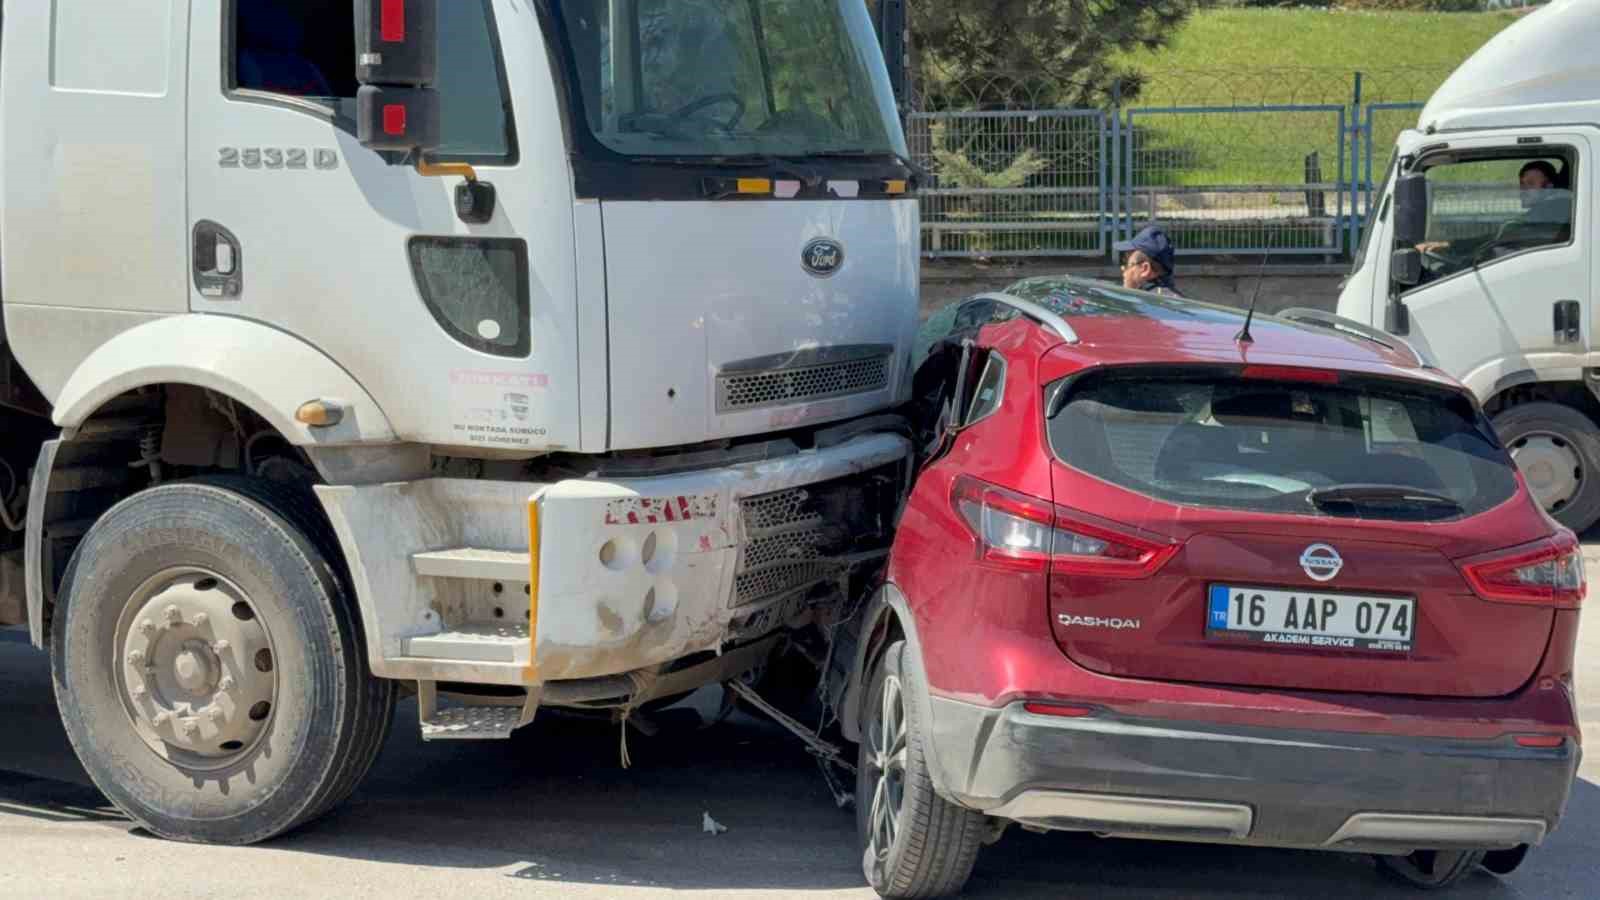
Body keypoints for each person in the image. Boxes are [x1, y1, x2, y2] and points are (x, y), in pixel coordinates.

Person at [1114, 226, 1182, 297]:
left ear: (1145, 269)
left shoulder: (1142, 304)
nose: (1122, 268)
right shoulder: (1179, 301)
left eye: (1126, 263)